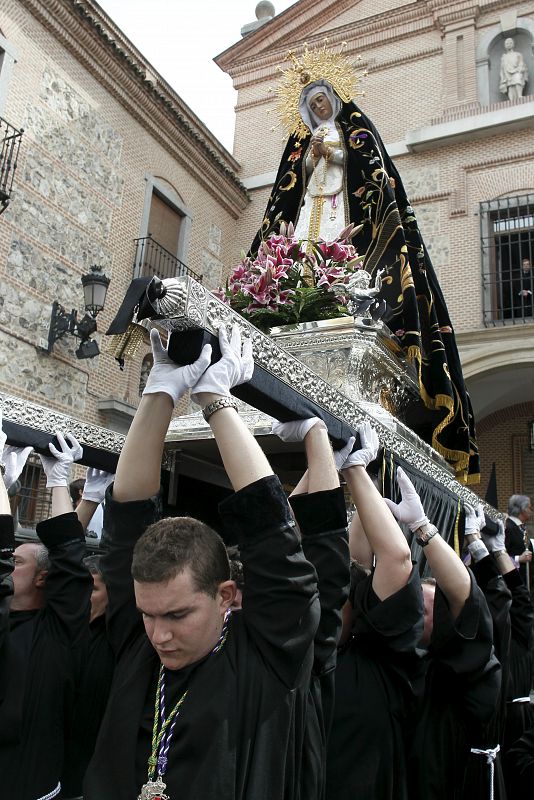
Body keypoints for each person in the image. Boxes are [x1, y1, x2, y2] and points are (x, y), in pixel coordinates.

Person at [84, 324, 329, 800]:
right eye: (148, 615)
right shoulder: (139, 638)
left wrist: (216, 401)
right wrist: (159, 391)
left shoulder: (270, 650)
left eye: (177, 615)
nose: (158, 635)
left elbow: (270, 529)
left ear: (225, 596)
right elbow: (127, 514)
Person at [250, 45, 479, 482]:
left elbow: (366, 171)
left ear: (333, 101)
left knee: (334, 234)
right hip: (313, 198)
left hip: (340, 201)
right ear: (305, 110)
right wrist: (313, 157)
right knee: (303, 236)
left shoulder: (352, 131)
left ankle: (337, 283)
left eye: (323, 101)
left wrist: (330, 154)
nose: (318, 108)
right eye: (311, 105)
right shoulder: (301, 142)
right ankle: (296, 285)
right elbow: (289, 186)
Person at [385, 468, 501, 799]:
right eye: (415, 610)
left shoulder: (471, 670)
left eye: (429, 611)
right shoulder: (407, 661)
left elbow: (467, 600)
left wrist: (422, 528)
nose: (420, 618)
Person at [325, 430, 423, 800]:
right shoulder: (319, 653)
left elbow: (395, 559)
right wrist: (358, 480)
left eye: (340, 602)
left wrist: (356, 472)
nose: (330, 612)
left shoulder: (384, 654)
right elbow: (356, 562)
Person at [0, 424, 92, 800]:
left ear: (42, 578)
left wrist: (59, 479)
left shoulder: (57, 633)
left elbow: (69, 558)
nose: (7, 566)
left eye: (16, 564)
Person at [272, 416, 351, 800]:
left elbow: (287, 541)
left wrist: (318, 444)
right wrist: (322, 462)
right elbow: (279, 543)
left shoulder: (305, 652)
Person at [505, 494, 533, 589]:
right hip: (514, 584)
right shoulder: (507, 527)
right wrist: (518, 559)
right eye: (529, 508)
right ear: (522, 509)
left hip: (525, 582)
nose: (531, 511)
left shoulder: (520, 527)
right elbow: (498, 555)